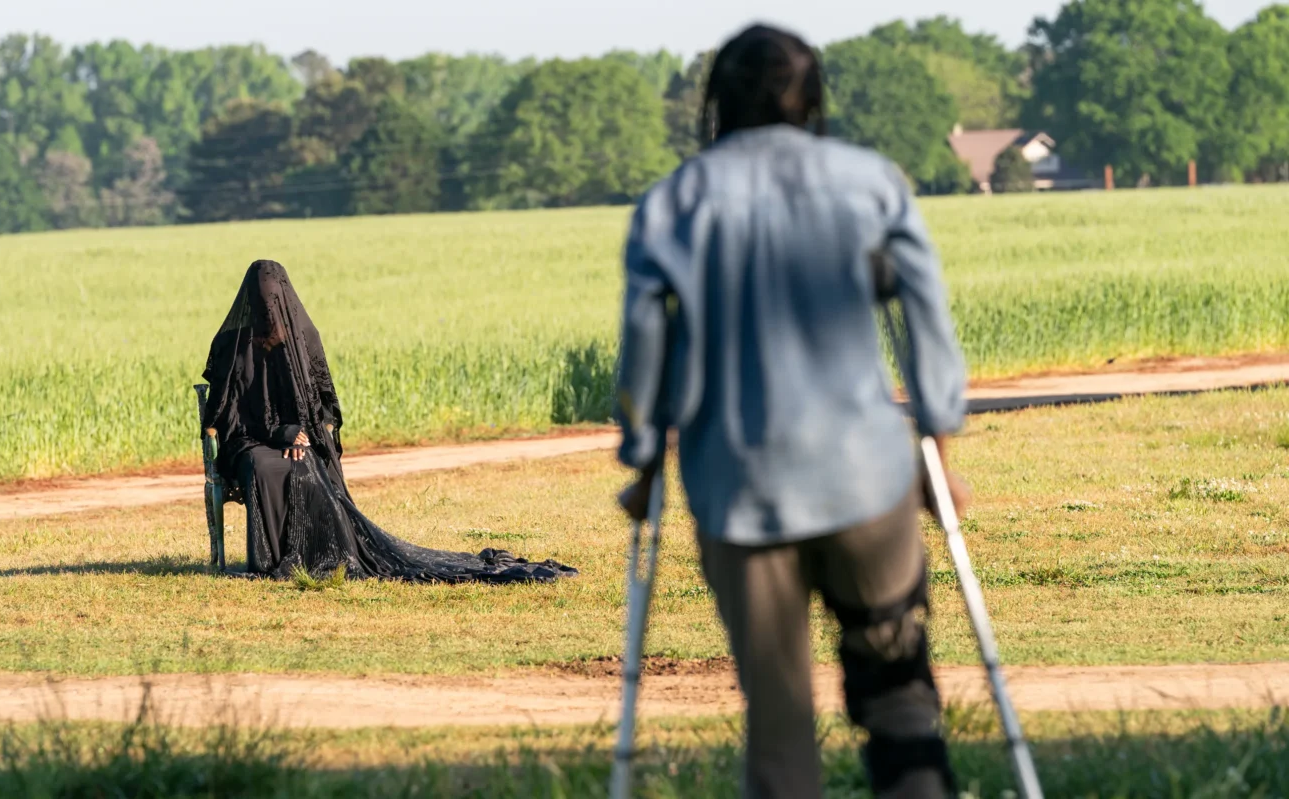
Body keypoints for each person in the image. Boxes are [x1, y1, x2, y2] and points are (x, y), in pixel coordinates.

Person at [613, 25, 971, 799]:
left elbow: (645, 341)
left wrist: (642, 461)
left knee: (778, 718)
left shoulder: (675, 202)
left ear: (718, 102)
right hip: (867, 478)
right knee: (896, 684)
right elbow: (925, 315)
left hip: (738, 487)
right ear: (811, 99)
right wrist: (939, 448)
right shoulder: (869, 181)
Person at [202, 259, 577, 584]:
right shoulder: (232, 345)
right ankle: (267, 561)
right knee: (262, 467)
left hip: (299, 439)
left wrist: (298, 434)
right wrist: (275, 432)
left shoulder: (303, 339)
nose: (267, 305)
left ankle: (312, 555)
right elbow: (225, 413)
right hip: (250, 441)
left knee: (304, 467)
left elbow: (319, 404)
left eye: (273, 297)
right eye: (261, 297)